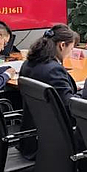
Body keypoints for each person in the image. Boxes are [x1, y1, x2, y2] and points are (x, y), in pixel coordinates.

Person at [19, 24, 79, 160]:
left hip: (32, 136)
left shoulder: (28, 63)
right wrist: (84, 94)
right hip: (52, 141)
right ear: (62, 45)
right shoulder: (53, 70)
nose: (71, 52)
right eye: (71, 48)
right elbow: (68, 106)